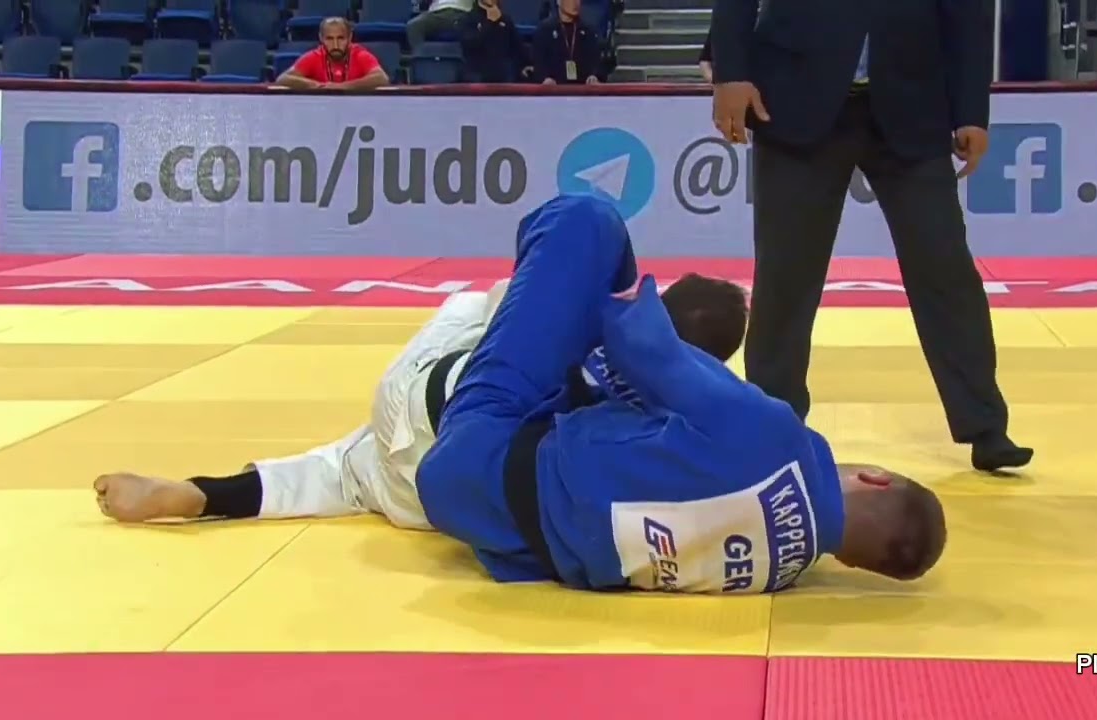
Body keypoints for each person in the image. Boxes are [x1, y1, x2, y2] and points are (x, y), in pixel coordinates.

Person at [416, 193, 946, 593]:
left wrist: (624, 297)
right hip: (509, 541)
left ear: (875, 478)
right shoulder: (775, 575)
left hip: (481, 451)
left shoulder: (776, 437)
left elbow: (640, 344)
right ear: (850, 560)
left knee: (587, 223)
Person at [93, 269, 750, 527]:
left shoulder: (601, 317)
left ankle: (198, 493)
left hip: (419, 399)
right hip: (441, 499)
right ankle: (206, 494)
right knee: (340, 475)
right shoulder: (681, 421)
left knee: (483, 304)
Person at [708, 0, 1032, 472]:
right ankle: (773, 426)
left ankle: (985, 426)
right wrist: (730, 73)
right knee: (786, 275)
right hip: (795, 98)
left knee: (945, 268)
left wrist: (971, 112)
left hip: (912, 103)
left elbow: (967, 14)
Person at [276, 18, 389, 90]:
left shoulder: (360, 55)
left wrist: (343, 87)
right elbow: (283, 79)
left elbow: (381, 78)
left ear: (350, 37)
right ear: (321, 38)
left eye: (341, 38)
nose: (335, 45)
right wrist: (316, 85)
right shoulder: (315, 56)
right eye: (329, 39)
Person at [459, 0, 534, 83]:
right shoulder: (469, 19)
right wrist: (490, 23)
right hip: (477, 77)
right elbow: (469, 44)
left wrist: (526, 65)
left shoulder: (505, 20)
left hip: (504, 78)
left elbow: (518, 48)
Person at [533, 0, 603, 85]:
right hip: (554, 90)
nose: (575, 3)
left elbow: (597, 62)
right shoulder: (545, 30)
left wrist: (594, 76)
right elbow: (538, 63)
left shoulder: (588, 31)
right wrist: (545, 79)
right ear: (558, 2)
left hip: (582, 89)